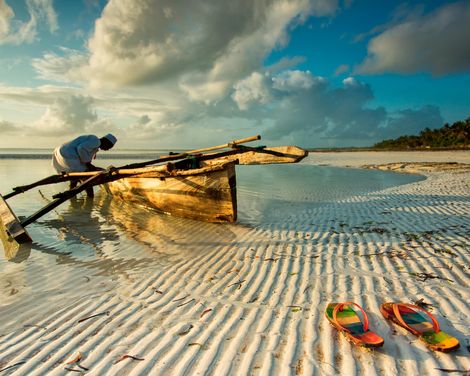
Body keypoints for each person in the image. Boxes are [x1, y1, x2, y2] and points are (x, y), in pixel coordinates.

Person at [52, 134, 117, 197]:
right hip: (68, 153)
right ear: (106, 142)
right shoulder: (96, 140)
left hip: (60, 152)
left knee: (76, 174)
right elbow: (81, 148)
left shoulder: (94, 144)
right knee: (86, 176)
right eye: (109, 146)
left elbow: (83, 152)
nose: (108, 149)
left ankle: (72, 193)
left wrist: (88, 164)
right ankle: (90, 197)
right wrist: (88, 164)